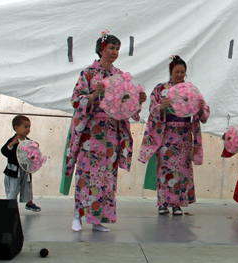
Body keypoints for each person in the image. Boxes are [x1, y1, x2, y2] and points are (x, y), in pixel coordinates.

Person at [63, 31, 147, 232]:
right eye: (111, 48)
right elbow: (76, 100)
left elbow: (125, 106)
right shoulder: (88, 73)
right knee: (86, 173)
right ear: (102, 49)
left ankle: (98, 218)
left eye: (117, 49)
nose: (115, 52)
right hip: (91, 133)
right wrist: (94, 94)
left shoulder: (119, 76)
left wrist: (137, 101)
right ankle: (78, 215)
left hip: (111, 133)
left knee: (106, 177)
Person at [139, 55, 210, 215]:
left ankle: (177, 204)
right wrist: (161, 107)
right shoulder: (160, 89)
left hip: (184, 135)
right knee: (165, 169)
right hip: (166, 135)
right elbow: (152, 109)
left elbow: (204, 112)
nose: (179, 75)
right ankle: (163, 203)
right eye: (177, 71)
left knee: (181, 171)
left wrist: (199, 108)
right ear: (170, 71)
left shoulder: (191, 90)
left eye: (182, 72)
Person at [1, 115, 41, 212]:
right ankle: (11, 206)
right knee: (13, 189)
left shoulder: (28, 141)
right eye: (25, 127)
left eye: (29, 127)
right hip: (14, 171)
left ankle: (29, 203)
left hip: (25, 170)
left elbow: (31, 155)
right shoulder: (13, 141)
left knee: (27, 186)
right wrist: (11, 145)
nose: (28, 129)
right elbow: (4, 151)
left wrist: (34, 149)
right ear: (16, 128)